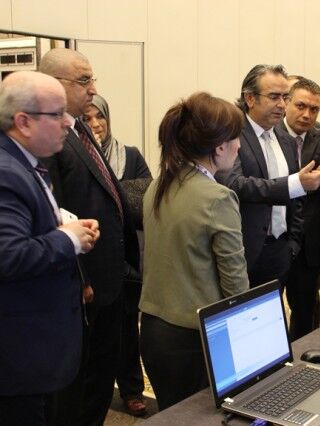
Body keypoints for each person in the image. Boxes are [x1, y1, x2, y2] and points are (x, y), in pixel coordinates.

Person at [39, 48, 140, 426]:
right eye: (83, 80)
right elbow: (53, 216)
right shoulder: (51, 138)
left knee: (100, 374)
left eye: (92, 79)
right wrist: (79, 278)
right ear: (52, 84)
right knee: (77, 386)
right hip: (83, 285)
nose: (93, 88)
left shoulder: (79, 128)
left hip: (109, 278)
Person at [139, 92, 250, 411]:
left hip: (154, 331)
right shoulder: (217, 198)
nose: (239, 146)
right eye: (236, 138)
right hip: (196, 337)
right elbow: (235, 284)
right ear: (219, 147)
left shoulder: (158, 185)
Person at [0, 71, 99, 425]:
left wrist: (62, 227)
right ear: (23, 122)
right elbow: (9, 255)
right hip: (20, 357)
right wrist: (67, 239)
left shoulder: (23, 163)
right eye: (57, 114)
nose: (68, 122)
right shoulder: (7, 172)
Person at [216, 64, 320, 288]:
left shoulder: (285, 138)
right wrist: (295, 184)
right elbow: (235, 184)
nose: (282, 104)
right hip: (243, 251)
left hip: (281, 250)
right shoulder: (232, 132)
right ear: (250, 98)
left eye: (285, 97)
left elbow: (297, 201)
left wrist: (292, 243)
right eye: (274, 96)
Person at [84, 94, 151, 416]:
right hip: (92, 255)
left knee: (127, 328)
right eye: (88, 118)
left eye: (100, 116)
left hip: (127, 257)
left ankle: (131, 389)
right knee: (96, 332)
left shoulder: (130, 155)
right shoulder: (77, 157)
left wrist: (112, 194)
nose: (96, 124)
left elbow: (146, 196)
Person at [275, 77, 320, 340]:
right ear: (286, 102)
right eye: (301, 106)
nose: (307, 114)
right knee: (268, 311)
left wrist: (305, 182)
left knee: (305, 311)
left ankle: (303, 358)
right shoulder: (270, 133)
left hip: (309, 243)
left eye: (314, 109)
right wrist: (305, 179)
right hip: (274, 239)